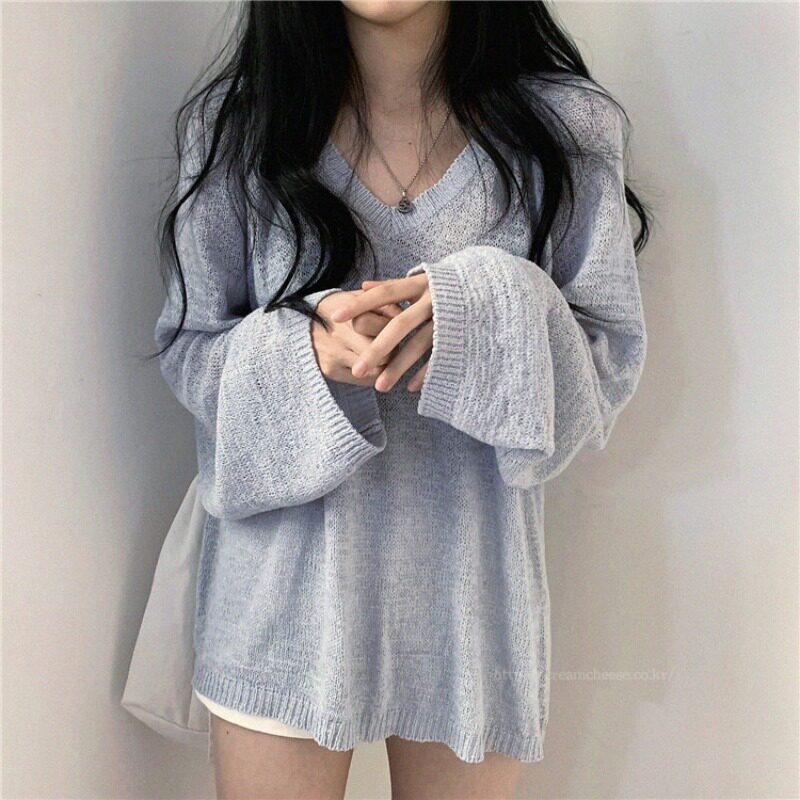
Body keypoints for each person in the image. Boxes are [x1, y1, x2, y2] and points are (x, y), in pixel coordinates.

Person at [149, 1, 651, 797]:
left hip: (472, 608)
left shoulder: (568, 129)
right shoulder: (241, 126)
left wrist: (484, 311)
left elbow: (608, 364)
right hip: (282, 606)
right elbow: (190, 353)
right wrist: (306, 348)